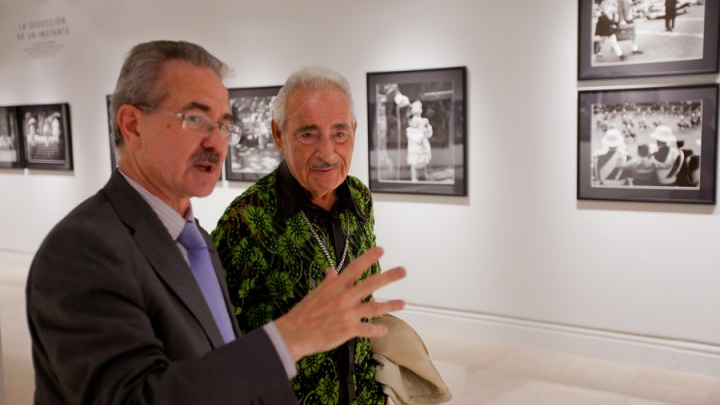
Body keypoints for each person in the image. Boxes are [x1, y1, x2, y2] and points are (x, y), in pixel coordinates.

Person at [26, 40, 406, 405]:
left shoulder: (195, 241)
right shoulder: (81, 249)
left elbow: (222, 359)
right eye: (195, 119)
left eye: (222, 124)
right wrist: (290, 338)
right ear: (132, 125)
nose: (216, 142)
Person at [213, 66, 387, 405]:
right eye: (308, 134)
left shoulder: (359, 197)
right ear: (278, 135)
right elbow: (219, 340)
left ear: (354, 130)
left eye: (339, 133)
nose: (327, 153)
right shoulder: (246, 219)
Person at [405, 100, 433, 182]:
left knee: (424, 160)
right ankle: (414, 178)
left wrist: (427, 126)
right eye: (419, 108)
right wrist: (421, 129)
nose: (420, 110)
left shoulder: (424, 120)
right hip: (415, 143)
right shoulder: (412, 122)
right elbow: (414, 133)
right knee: (414, 162)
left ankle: (424, 175)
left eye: (420, 108)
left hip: (423, 144)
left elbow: (428, 134)